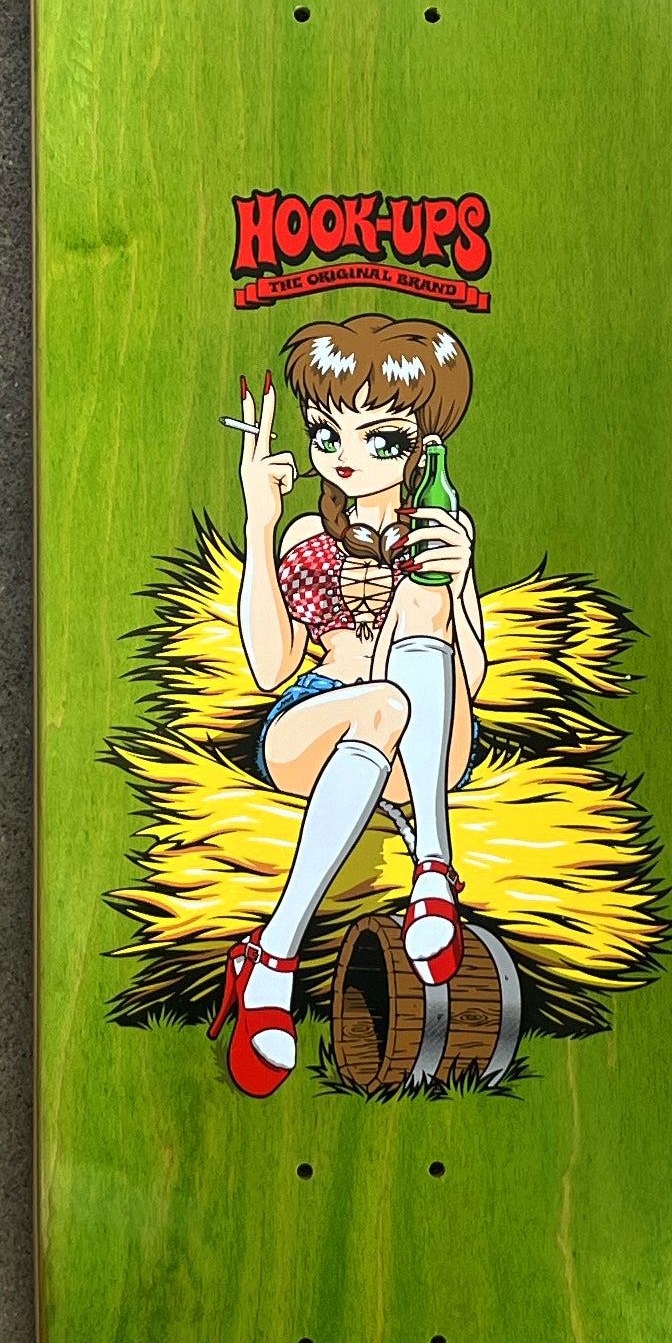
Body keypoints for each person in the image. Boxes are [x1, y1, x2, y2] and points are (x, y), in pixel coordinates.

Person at [209, 314, 485, 1095]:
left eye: (381, 438)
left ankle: (277, 954)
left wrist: (459, 572)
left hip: (424, 747)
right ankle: (414, 890)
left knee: (420, 614)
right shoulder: (307, 531)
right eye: (328, 433)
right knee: (379, 705)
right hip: (319, 719)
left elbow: (471, 674)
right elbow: (270, 667)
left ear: (426, 444)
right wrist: (260, 522)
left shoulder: (444, 528)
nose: (346, 455)